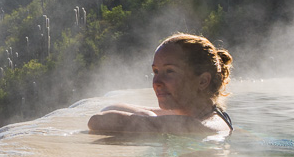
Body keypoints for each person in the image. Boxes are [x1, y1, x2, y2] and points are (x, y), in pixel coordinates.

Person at [88, 33, 234, 135]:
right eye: (156, 71)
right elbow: (112, 108)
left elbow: (96, 122)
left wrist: (147, 117)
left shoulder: (199, 127)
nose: (156, 82)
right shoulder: (198, 114)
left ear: (202, 81)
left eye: (169, 71)